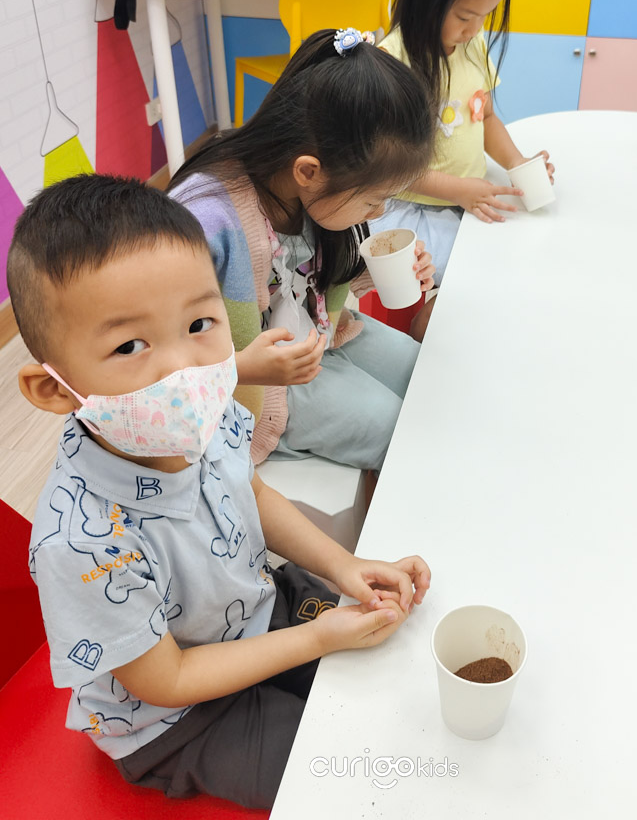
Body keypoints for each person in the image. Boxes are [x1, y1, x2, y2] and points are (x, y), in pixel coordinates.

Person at [7, 174, 430, 810]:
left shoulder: (199, 408)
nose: (184, 368)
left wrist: (344, 565)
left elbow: (251, 491)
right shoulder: (82, 542)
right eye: (130, 345)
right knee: (345, 774)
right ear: (53, 388)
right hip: (178, 718)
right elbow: (167, 680)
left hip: (257, 609)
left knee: (394, 671)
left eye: (200, 322)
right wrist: (317, 639)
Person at [168, 27, 436, 472]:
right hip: (254, 379)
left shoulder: (301, 187)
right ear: (308, 171)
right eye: (372, 200)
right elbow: (168, 352)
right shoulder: (206, 221)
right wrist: (243, 368)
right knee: (396, 428)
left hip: (319, 332)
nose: (381, 211)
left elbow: (304, 276)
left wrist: (378, 271)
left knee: (427, 376)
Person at [369, 0, 556, 294]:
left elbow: (485, 118)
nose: (475, 30)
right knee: (473, 278)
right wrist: (457, 190)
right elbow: (388, 169)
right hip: (412, 210)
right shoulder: (392, 62)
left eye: (485, 16)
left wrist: (517, 163)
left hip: (465, 198)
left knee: (525, 254)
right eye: (465, 17)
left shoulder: (472, 45)